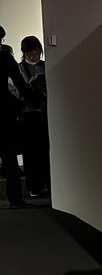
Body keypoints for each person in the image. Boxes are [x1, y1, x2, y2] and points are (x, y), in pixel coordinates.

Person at [0, 25, 36, 207]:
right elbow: (20, 84)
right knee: (9, 157)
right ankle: (15, 199)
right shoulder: (5, 58)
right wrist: (36, 101)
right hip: (4, 112)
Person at [18, 35, 50, 198]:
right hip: (27, 115)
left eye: (37, 52)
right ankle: (34, 186)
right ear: (24, 53)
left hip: (44, 114)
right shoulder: (18, 69)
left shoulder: (46, 66)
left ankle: (49, 184)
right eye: (30, 53)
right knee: (30, 153)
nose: (34, 56)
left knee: (46, 151)